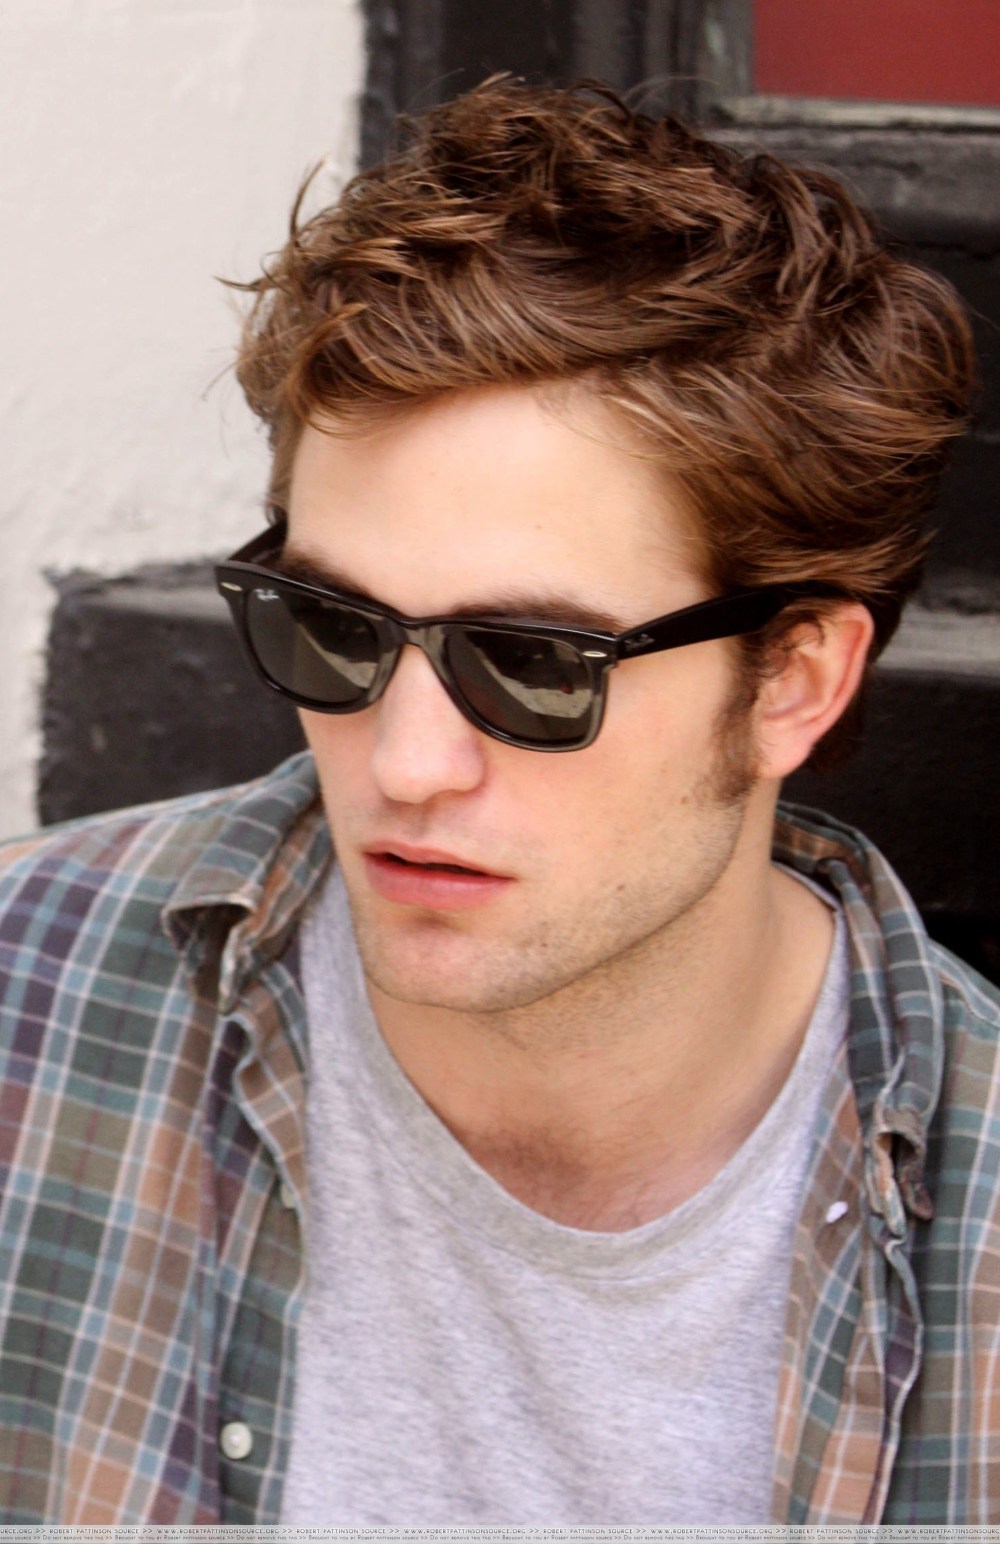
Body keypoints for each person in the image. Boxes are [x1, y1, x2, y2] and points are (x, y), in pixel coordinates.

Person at [0, 77, 997, 1527]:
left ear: (793, 680)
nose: (408, 764)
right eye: (333, 628)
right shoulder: (26, 1004)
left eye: (532, 665)